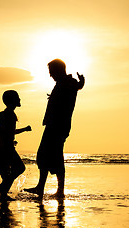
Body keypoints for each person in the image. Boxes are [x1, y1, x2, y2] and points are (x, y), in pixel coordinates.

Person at [24, 59, 84, 199]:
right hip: (54, 125)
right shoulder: (63, 83)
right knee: (45, 155)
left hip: (58, 126)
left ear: (59, 70)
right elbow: (77, 86)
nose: (50, 75)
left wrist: (80, 84)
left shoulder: (68, 83)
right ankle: (43, 187)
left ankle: (57, 190)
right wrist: (81, 84)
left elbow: (75, 87)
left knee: (53, 156)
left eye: (52, 72)